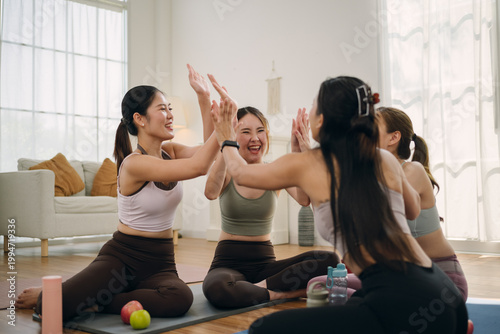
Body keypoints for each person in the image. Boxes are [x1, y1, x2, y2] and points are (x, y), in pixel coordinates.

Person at [208, 75, 468, 333]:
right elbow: (412, 210)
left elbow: (241, 173)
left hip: (398, 301)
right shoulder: (385, 159)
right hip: (444, 295)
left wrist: (225, 136)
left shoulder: (305, 164)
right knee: (355, 305)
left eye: (312, 105)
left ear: (321, 119)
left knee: (263, 328)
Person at [15, 65, 221, 322]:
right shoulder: (134, 163)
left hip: (160, 261)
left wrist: (203, 98)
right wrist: (224, 128)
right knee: (54, 306)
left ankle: (97, 300)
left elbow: (208, 153)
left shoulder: (173, 151)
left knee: (180, 298)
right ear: (140, 119)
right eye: (162, 109)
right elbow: (199, 166)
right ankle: (61, 293)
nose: (169, 115)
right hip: (122, 258)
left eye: (170, 108)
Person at [202, 105, 339, 308]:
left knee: (330, 259)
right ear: (233, 135)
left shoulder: (274, 170)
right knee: (217, 287)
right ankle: (278, 294)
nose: (255, 138)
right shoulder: (229, 169)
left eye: (260, 131)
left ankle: (254, 290)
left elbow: (304, 199)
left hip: (266, 264)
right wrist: (225, 142)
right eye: (246, 132)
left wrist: (299, 156)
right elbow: (211, 192)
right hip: (227, 262)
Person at [376, 106, 468, 301]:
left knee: (374, 300)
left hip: (442, 279)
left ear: (393, 138)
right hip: (403, 274)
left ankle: (457, 325)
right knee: (325, 285)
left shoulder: (413, 171)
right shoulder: (372, 175)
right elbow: (305, 198)